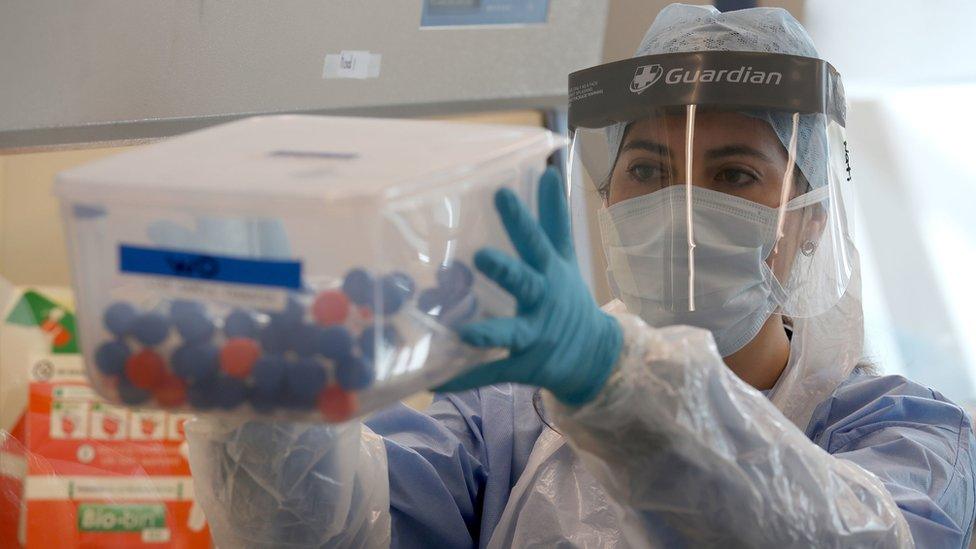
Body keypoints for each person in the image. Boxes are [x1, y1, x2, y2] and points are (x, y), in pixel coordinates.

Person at [186, 4, 976, 547]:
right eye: (647, 169)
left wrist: (614, 382)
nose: (679, 207)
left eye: (734, 175)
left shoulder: (909, 434)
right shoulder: (504, 426)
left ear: (806, 218)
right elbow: (330, 534)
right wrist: (269, 410)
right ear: (607, 198)